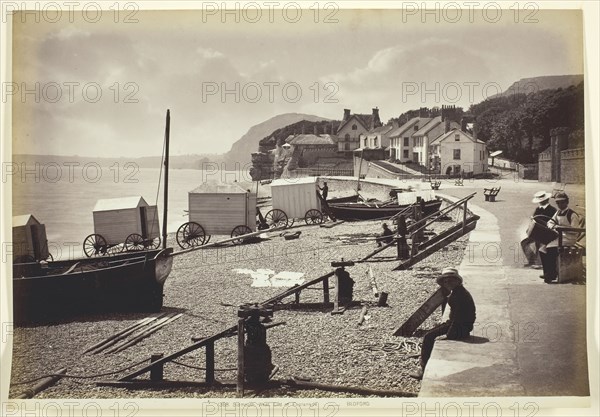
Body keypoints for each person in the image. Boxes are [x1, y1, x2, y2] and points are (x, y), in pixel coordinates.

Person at [410, 268, 476, 380]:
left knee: (428, 336)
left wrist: (448, 335)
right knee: (432, 331)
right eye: (445, 281)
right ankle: (425, 358)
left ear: (457, 281)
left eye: (451, 281)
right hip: (463, 325)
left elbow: (457, 318)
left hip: (461, 327)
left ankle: (423, 368)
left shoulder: (458, 296)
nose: (448, 283)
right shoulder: (458, 292)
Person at [541, 192, 583, 283]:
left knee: (550, 249)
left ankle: (552, 275)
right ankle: (547, 272)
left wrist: (561, 228)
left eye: (562, 202)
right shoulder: (558, 212)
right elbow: (551, 221)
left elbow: (575, 230)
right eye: (558, 203)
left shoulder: (572, 214)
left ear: (566, 202)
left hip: (569, 239)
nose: (560, 205)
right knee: (542, 249)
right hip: (560, 237)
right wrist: (552, 225)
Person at [520, 191, 557, 268]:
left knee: (540, 243)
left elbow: (553, 223)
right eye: (539, 201)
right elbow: (534, 220)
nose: (540, 203)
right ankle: (532, 260)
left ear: (546, 200)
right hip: (537, 232)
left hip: (547, 234)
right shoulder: (538, 209)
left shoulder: (553, 210)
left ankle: (540, 263)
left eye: (542, 201)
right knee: (524, 243)